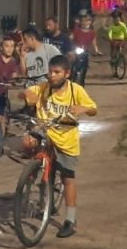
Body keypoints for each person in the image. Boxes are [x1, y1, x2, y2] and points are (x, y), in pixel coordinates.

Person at [19, 55, 97, 238]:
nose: (52, 76)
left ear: (67, 74)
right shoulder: (43, 88)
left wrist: (83, 109)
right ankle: (33, 173)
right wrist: (24, 95)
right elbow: (27, 95)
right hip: (45, 130)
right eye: (50, 72)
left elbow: (93, 109)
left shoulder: (75, 90)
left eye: (57, 72)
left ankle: (70, 220)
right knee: (27, 141)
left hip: (66, 138)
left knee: (68, 177)